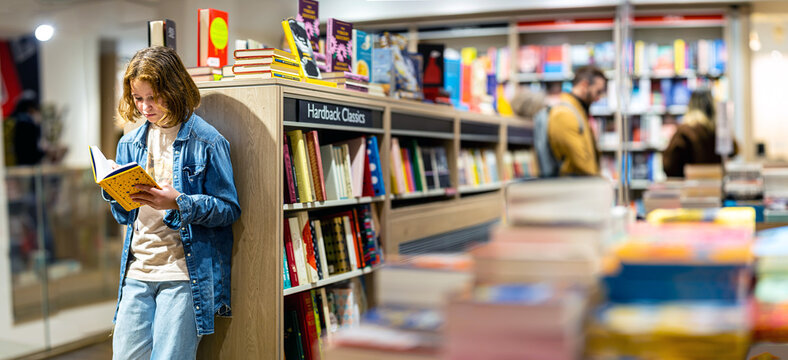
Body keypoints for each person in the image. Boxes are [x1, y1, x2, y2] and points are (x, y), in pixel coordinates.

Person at [104, 46, 241, 360]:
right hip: (137, 271)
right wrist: (115, 192)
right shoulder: (129, 142)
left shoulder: (208, 141)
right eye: (138, 99)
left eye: (153, 97)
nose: (145, 107)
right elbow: (125, 217)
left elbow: (229, 209)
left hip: (183, 273)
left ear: (175, 89)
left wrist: (180, 202)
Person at [546, 65, 607, 176]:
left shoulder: (578, 111)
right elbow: (582, 163)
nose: (599, 98)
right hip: (575, 187)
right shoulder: (564, 113)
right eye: (598, 92)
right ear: (584, 85)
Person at [662, 88, 735, 177]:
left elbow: (669, 166)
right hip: (715, 184)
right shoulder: (718, 130)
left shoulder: (684, 131)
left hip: (689, 186)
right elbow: (734, 150)